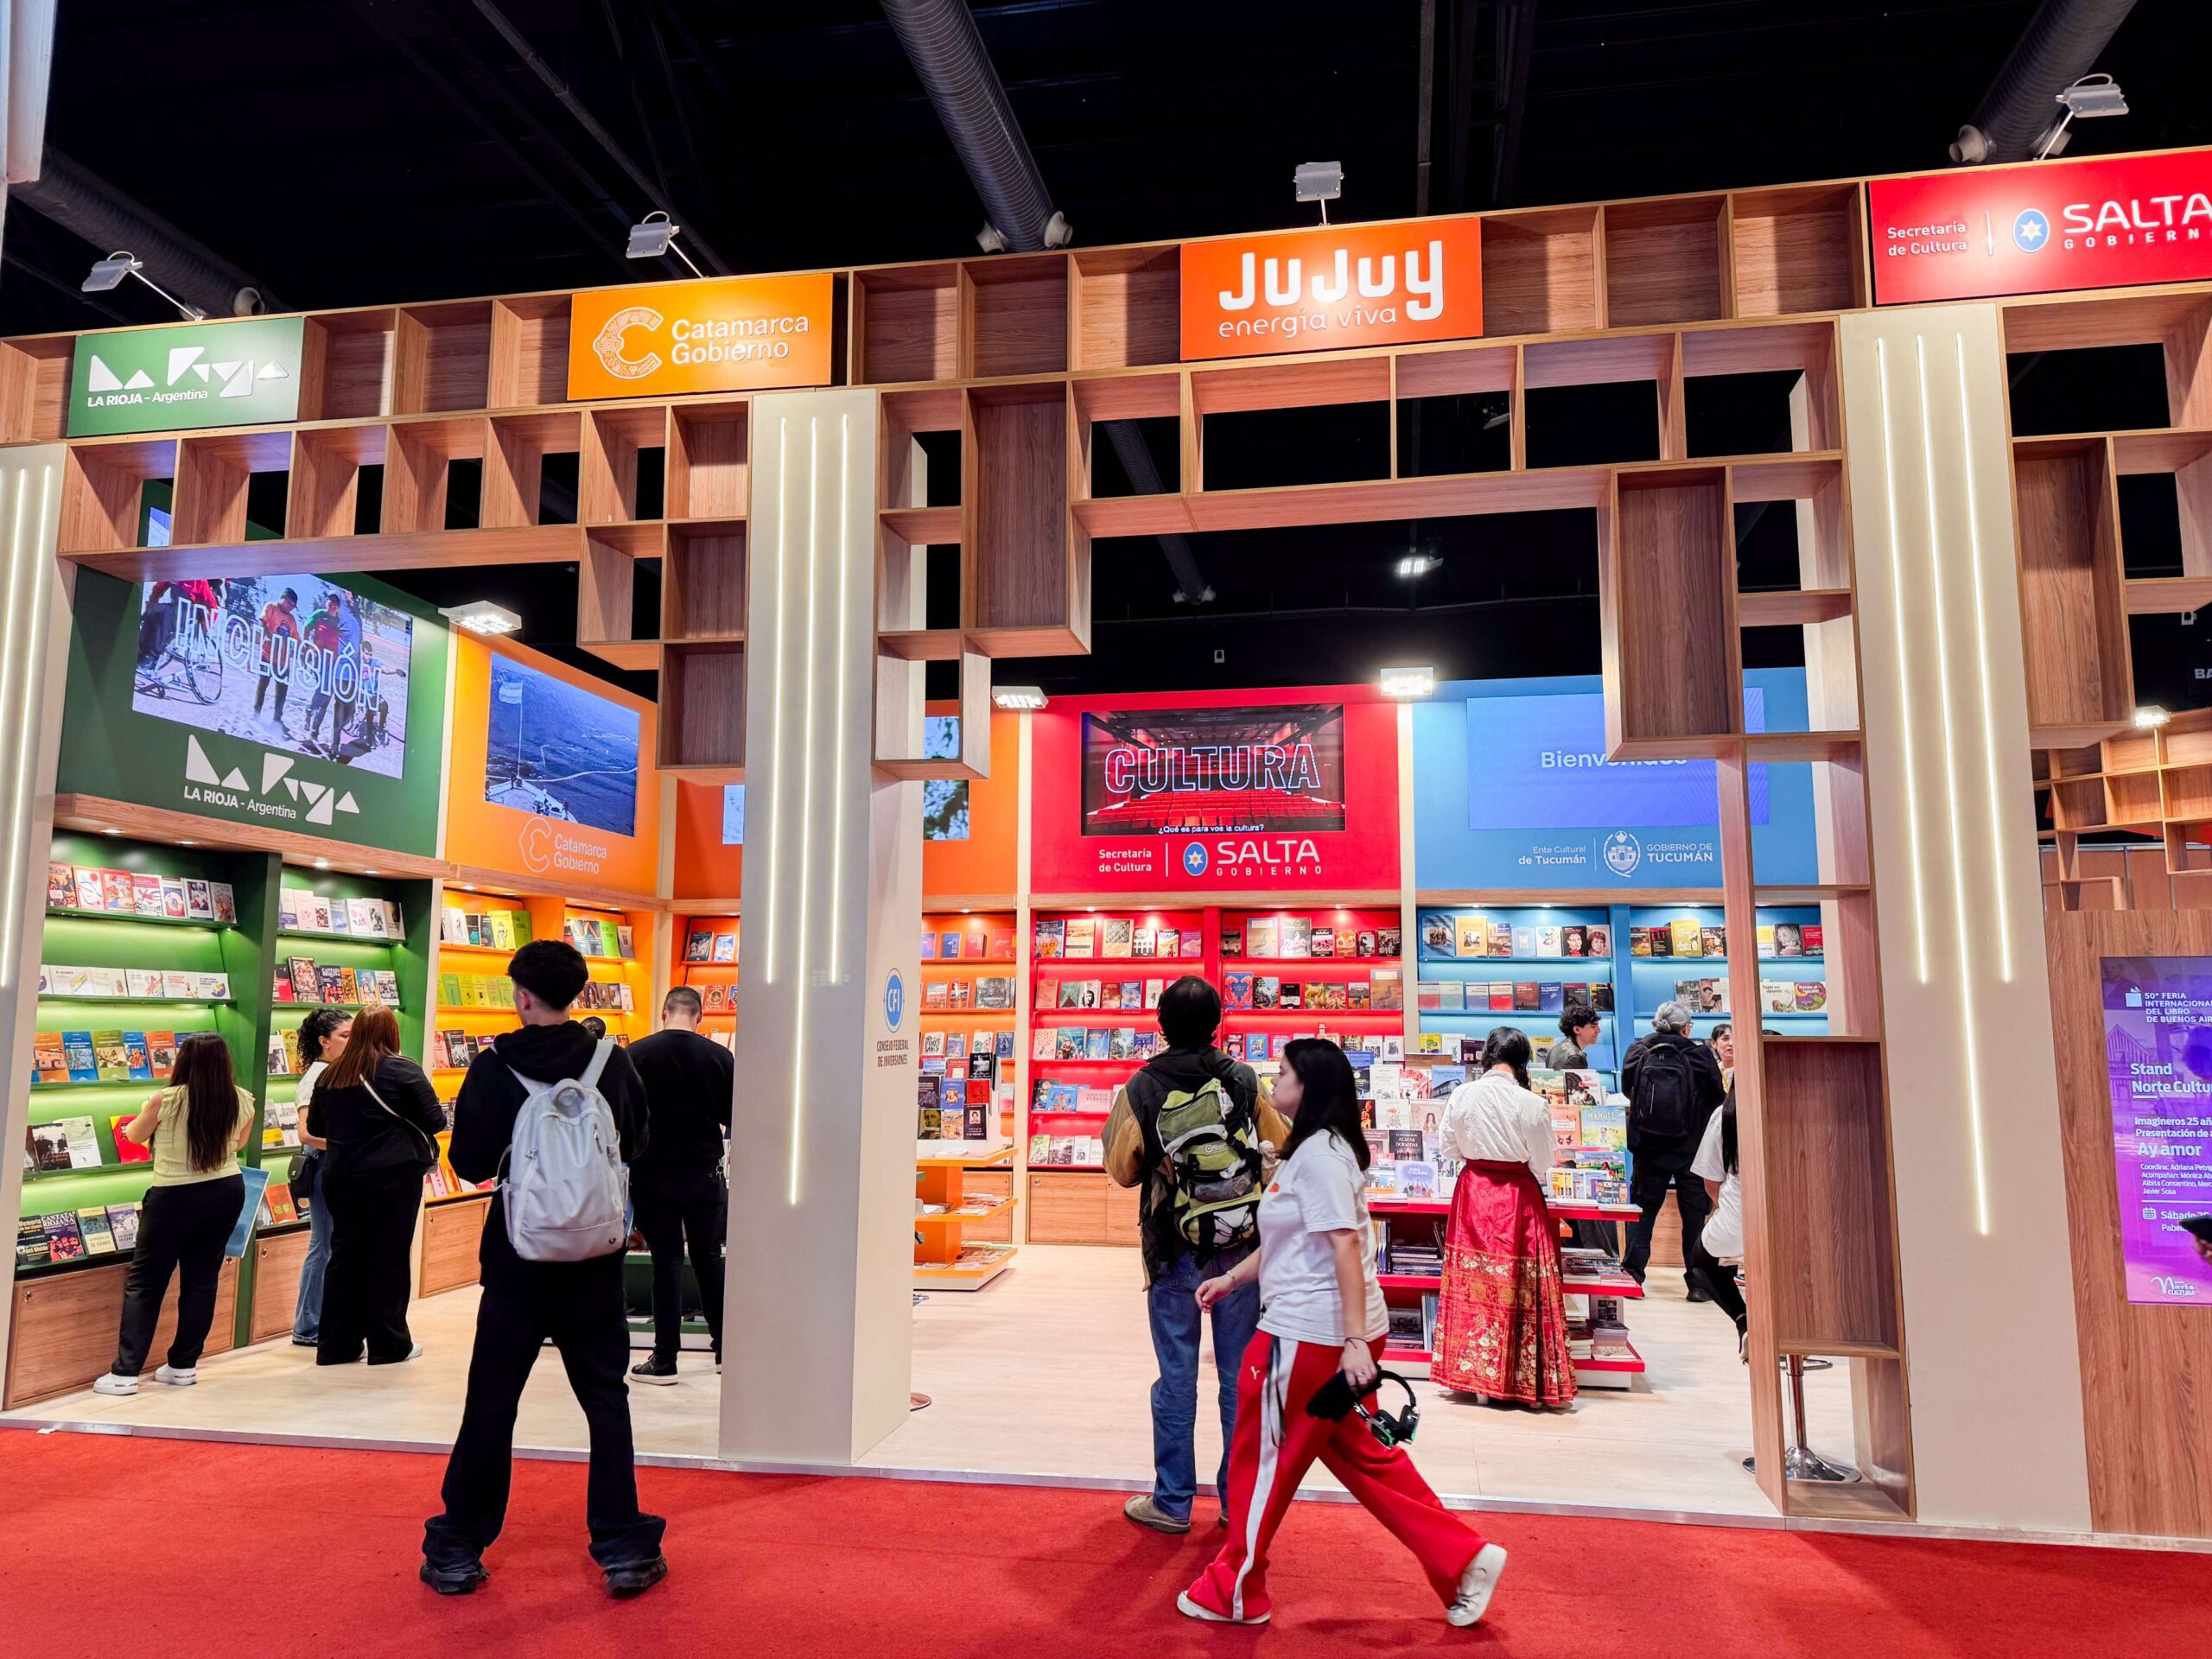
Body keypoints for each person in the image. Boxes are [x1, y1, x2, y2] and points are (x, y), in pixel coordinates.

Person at [1179, 1039, 1506, 1630]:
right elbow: (1296, 1241)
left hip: (1308, 1337)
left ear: (1309, 1087)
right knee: (1362, 1455)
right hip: (1323, 1333)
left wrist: (1354, 1343)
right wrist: (1233, 1278)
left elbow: (1347, 1248)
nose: (1273, 1081)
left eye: (1283, 1073)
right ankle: (1464, 1559)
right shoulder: (1313, 1150)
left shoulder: (1322, 1157)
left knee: (1260, 1460)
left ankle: (1234, 1589)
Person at [423, 939, 664, 1599]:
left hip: (516, 1258)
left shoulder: (493, 1065)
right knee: (606, 1399)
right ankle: (622, 1545)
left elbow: (471, 1162)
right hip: (595, 1260)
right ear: (579, 992)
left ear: (522, 995)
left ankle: (457, 1545)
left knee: (492, 1400)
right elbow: (637, 1142)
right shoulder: (612, 1061)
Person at [1104, 975, 1287, 1535]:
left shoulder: (1141, 1087)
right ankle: (1237, 1502)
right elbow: (1281, 1140)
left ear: (1160, 1024)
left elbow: (1121, 1169)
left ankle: (1172, 1502)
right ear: (1217, 1024)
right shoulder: (1243, 1079)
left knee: (1177, 1375)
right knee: (1238, 1377)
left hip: (1172, 1250)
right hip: (1240, 1249)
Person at [92, 1033, 256, 1395]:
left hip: (173, 1194)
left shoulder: (165, 1099)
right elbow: (240, 1143)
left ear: (183, 1061)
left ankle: (125, 1372)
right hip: (227, 1189)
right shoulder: (243, 1099)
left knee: (147, 1281)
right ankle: (183, 1365)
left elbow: (134, 1135)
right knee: (202, 1280)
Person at [1431, 1027, 1577, 1408]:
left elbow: (1448, 1148)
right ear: (1522, 1061)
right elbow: (1542, 1161)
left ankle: (1468, 1374)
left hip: (1474, 1194)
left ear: (1486, 1057)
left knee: (1472, 1284)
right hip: (1516, 1197)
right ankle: (1517, 1380)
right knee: (1520, 1285)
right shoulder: (1531, 1103)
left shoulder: (1462, 1094)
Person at [310, 1005, 444, 1365]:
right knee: (389, 1257)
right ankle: (389, 1345)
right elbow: (435, 1120)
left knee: (344, 1257)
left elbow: (318, 1128)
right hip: (393, 1176)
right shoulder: (402, 1069)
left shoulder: (331, 1074)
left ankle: (336, 1346)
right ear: (392, 1032)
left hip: (340, 1175)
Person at [624, 986, 734, 1385]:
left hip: (652, 1175)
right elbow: (731, 1114)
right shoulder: (720, 1056)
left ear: (664, 1011)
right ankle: (724, 1350)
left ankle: (665, 1358)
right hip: (704, 1174)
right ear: (700, 1016)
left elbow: (626, 1114)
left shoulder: (635, 1054)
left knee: (666, 1262)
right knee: (709, 1259)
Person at [1618, 1002, 1727, 1295]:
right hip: (1692, 1148)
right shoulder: (1700, 1055)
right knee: (1694, 1216)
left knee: (1643, 1211)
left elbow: (1629, 1090)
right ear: (1686, 1028)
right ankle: (1698, 1283)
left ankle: (1632, 1277)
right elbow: (1717, 1098)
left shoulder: (1637, 1051)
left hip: (1648, 1146)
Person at [289, 1008, 353, 1347]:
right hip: (324, 1165)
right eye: (345, 1035)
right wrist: (351, 1144)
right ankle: (307, 1325)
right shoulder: (315, 1078)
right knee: (322, 1244)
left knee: (332, 1245)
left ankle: (323, 1320)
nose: (352, 1041)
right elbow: (306, 1133)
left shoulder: (339, 1071)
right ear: (324, 1041)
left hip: (338, 1165)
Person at [1689, 1082, 1749, 1356]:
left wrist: (1725, 1209)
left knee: (1701, 1262)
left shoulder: (1726, 1114)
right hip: (1797, 1225)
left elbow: (1711, 1182)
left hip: (1737, 1222)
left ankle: (1743, 1321)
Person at [255, 587, 302, 730]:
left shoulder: (291, 620)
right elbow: (262, 621)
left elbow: (296, 638)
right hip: (267, 655)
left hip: (283, 662)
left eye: (294, 606)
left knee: (282, 692)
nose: (291, 608)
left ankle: (277, 719)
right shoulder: (271, 607)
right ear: (284, 599)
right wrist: (266, 634)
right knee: (262, 685)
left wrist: (302, 650)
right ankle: (256, 713)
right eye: (290, 604)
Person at [1551, 1006, 1601, 1072]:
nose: (1598, 1031)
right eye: (1593, 1026)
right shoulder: (1576, 1057)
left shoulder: (1554, 1049)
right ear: (1577, 1030)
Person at [1707, 1022, 1735, 1090]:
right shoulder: (1711, 1070)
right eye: (1725, 1039)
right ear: (1713, 1043)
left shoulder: (1746, 1069)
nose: (1731, 1043)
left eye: (1735, 1038)